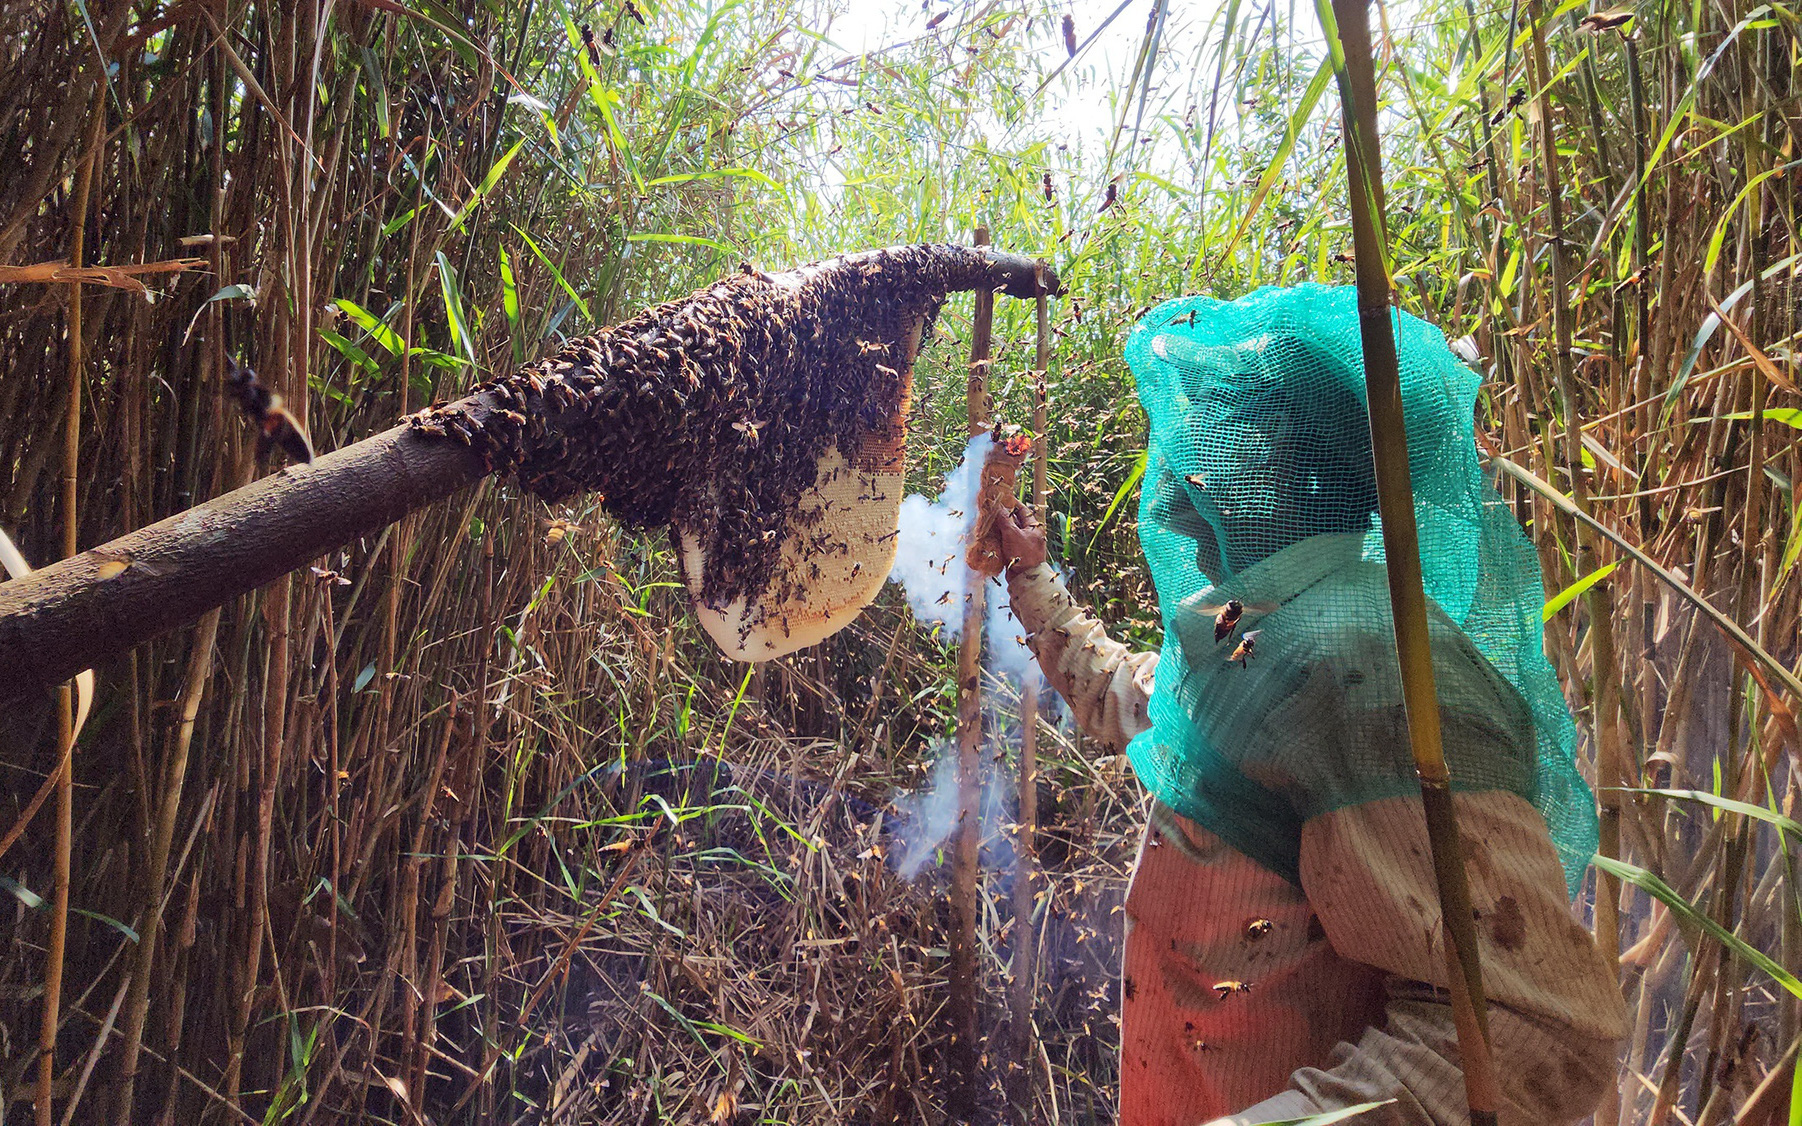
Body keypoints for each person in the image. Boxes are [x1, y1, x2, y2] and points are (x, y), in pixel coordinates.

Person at [980, 285, 1626, 1126]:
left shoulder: (1361, 660)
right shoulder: (1258, 625)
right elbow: (1134, 696)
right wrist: (1030, 577)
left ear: (1294, 474)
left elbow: (1527, 1030)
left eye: (1214, 452)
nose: (1177, 492)